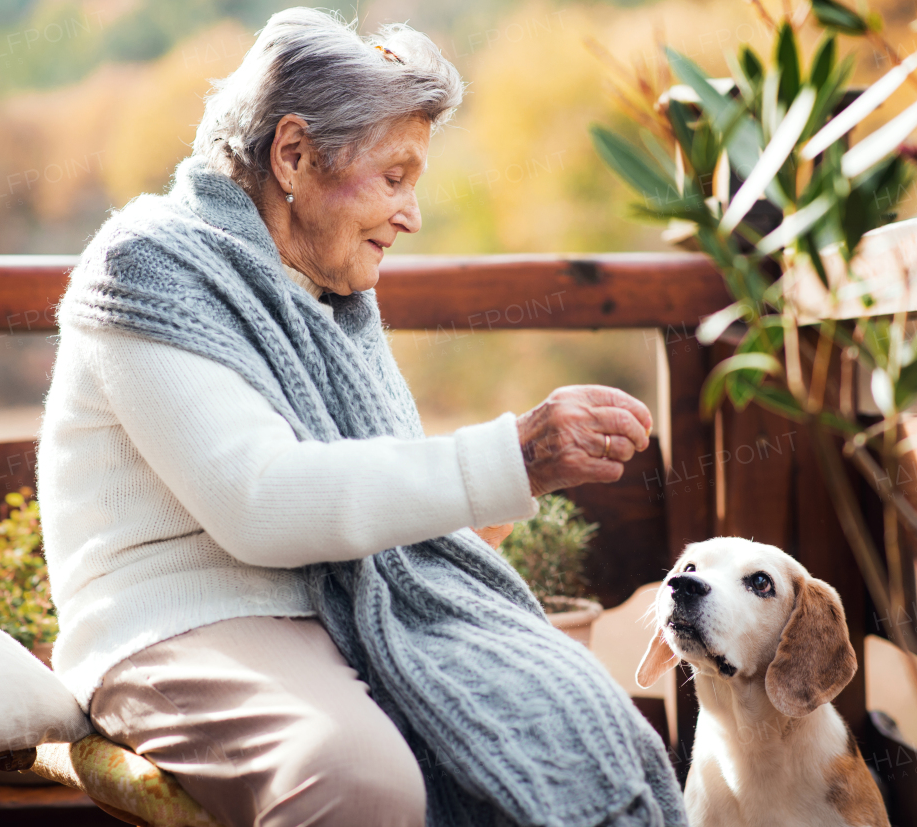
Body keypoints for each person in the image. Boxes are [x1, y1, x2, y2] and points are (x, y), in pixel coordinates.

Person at [38, 8, 680, 827]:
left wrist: (473, 523)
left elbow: (380, 510)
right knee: (360, 782)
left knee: (590, 728)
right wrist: (514, 456)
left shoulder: (332, 297)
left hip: (336, 604)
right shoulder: (147, 264)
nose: (412, 214)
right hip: (173, 623)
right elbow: (261, 503)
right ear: (294, 155)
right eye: (395, 176)